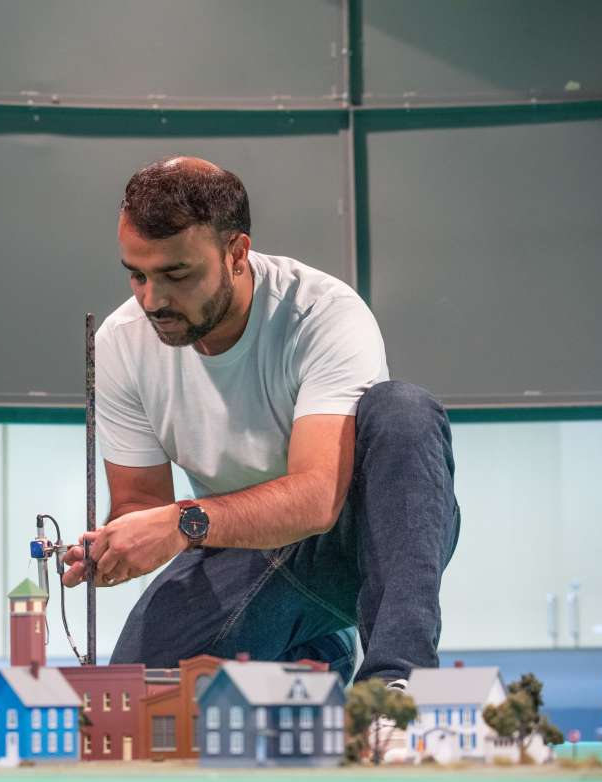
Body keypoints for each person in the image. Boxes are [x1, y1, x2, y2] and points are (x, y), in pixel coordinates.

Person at [63, 157, 460, 684]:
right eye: (137, 275)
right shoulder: (120, 342)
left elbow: (318, 498)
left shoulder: (323, 314)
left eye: (176, 274)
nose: (152, 300)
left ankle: (398, 687)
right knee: (139, 696)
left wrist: (184, 523)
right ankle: (316, 655)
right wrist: (120, 546)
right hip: (236, 549)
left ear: (236, 254)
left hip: (352, 542)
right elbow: (144, 504)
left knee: (403, 410)